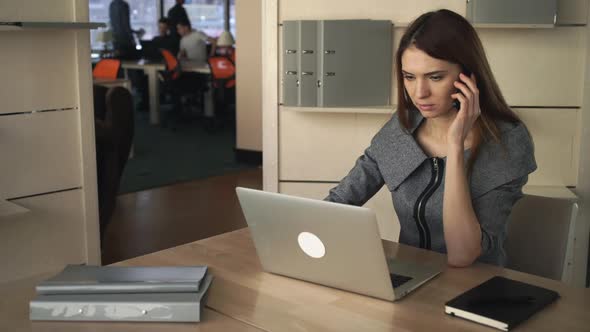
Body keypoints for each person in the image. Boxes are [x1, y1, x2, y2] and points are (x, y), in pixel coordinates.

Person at [325, 9, 536, 268]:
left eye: (435, 77)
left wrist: (455, 144)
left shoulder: (508, 143)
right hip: (411, 281)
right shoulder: (402, 128)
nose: (420, 93)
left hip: (476, 292)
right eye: (409, 77)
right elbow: (339, 202)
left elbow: (463, 254)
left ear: (469, 75)